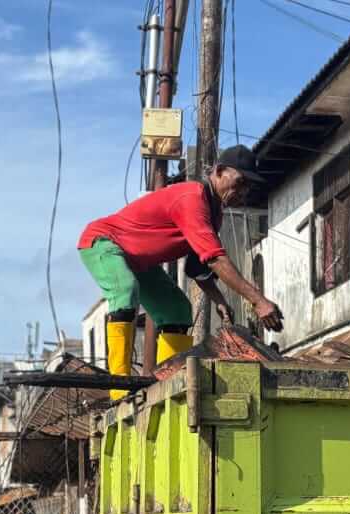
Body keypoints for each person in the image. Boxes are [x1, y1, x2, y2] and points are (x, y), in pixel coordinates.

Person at [79, 144, 285, 395]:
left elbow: (198, 267)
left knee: (178, 309)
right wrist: (259, 301)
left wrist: (219, 300)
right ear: (219, 172)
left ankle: (165, 384)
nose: (243, 192)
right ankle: (119, 387)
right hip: (104, 242)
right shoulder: (192, 198)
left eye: (247, 187)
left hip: (139, 261)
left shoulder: (214, 213)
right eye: (240, 182)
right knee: (125, 289)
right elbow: (215, 259)